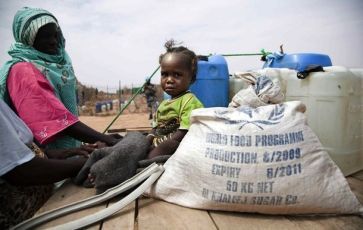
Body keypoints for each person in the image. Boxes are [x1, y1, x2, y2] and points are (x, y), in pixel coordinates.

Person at [0, 7, 120, 151]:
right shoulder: (23, 71)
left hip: (61, 154)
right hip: (40, 162)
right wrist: (107, 139)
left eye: (56, 35)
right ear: (28, 39)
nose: (53, 41)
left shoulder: (54, 66)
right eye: (45, 36)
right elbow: (57, 119)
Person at [0, 100, 89, 229]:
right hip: (21, 221)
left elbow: (24, 149)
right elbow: (21, 170)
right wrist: (88, 162)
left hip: (44, 208)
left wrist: (70, 152)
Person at [146, 40, 204, 159]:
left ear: (191, 78)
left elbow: (183, 133)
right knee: (135, 140)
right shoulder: (164, 104)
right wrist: (148, 139)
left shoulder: (189, 101)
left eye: (177, 75)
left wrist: (157, 145)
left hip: (176, 145)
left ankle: (144, 162)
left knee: (169, 145)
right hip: (157, 143)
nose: (169, 80)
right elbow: (155, 128)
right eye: (164, 74)